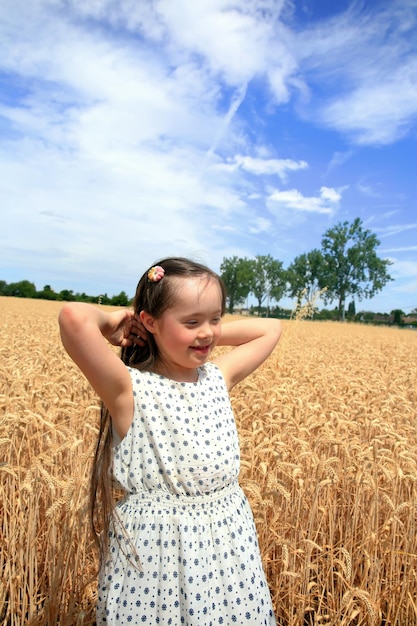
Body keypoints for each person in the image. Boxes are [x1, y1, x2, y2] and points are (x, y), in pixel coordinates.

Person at [59, 257, 282, 625]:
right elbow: (73, 318)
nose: (208, 333)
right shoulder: (128, 390)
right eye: (192, 321)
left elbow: (271, 328)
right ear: (149, 320)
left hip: (228, 548)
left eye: (215, 318)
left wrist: (191, 330)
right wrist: (122, 321)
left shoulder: (217, 378)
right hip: (156, 557)